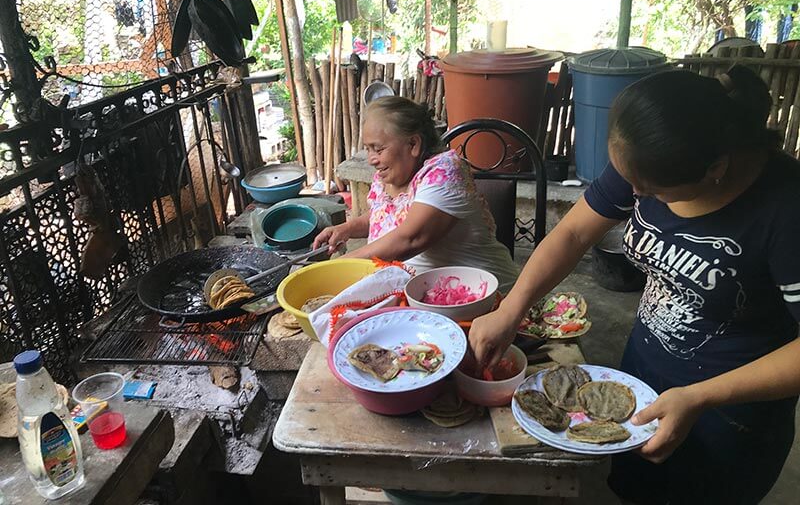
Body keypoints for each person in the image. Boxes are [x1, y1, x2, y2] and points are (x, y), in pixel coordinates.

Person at [468, 65, 800, 504]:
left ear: (715, 168)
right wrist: (511, 311)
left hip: (728, 412)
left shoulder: (786, 209)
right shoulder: (648, 156)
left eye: (652, 192)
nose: (633, 195)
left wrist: (699, 397)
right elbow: (572, 234)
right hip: (640, 378)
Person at [313, 96, 519, 291]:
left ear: (413, 144)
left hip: (482, 299)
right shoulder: (387, 176)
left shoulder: (444, 171)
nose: (371, 159)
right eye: (368, 149)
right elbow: (386, 216)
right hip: (420, 296)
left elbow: (410, 238)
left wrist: (338, 267)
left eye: (378, 149)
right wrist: (347, 229)